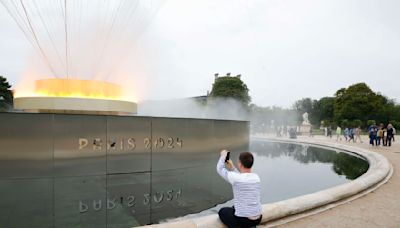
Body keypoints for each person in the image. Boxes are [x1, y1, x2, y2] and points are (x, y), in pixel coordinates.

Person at [217, 150, 262, 228]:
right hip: (258, 218)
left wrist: (223, 156)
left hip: (244, 220)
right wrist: (232, 168)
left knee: (222, 211)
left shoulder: (236, 178)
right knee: (234, 207)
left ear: (240, 164)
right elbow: (242, 177)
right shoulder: (256, 177)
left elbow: (220, 169)